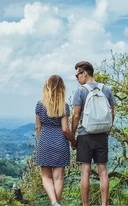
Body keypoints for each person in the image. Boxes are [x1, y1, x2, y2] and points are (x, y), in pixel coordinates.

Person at [71, 61, 116, 206]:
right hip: (102, 134)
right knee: (103, 170)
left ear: (84, 73)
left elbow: (76, 116)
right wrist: (106, 129)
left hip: (85, 135)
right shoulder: (107, 90)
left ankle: (86, 205)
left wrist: (73, 136)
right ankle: (104, 204)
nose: (77, 78)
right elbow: (112, 113)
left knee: (85, 171)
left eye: (77, 75)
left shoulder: (81, 91)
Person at [35, 75, 77, 206]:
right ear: (61, 89)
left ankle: (54, 202)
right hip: (60, 143)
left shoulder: (40, 105)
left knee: (46, 177)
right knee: (58, 178)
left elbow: (38, 126)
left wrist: (41, 140)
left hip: (44, 141)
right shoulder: (64, 106)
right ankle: (56, 203)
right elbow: (65, 129)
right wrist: (73, 142)